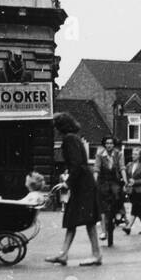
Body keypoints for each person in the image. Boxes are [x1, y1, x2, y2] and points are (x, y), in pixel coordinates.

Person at [47, 113, 102, 266]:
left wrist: (67, 183)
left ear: (61, 126)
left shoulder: (68, 139)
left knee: (88, 219)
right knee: (72, 219)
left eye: (56, 126)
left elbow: (76, 164)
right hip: (84, 183)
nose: (55, 129)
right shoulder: (74, 137)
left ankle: (96, 255)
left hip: (82, 184)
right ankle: (63, 254)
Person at [95, 136, 127, 235]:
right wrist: (94, 181)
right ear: (104, 144)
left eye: (111, 143)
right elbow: (97, 168)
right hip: (103, 181)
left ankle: (118, 212)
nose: (109, 145)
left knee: (118, 193)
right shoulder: (100, 155)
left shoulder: (119, 154)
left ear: (114, 145)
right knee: (102, 204)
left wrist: (125, 181)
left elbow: (122, 168)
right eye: (107, 143)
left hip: (114, 180)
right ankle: (103, 231)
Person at [124, 147, 141, 234]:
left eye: (135, 154)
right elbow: (126, 176)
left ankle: (129, 226)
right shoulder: (128, 165)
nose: (133, 156)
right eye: (133, 154)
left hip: (140, 190)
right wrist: (126, 183)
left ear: (139, 156)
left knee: (135, 206)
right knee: (137, 208)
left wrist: (135, 182)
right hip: (131, 190)